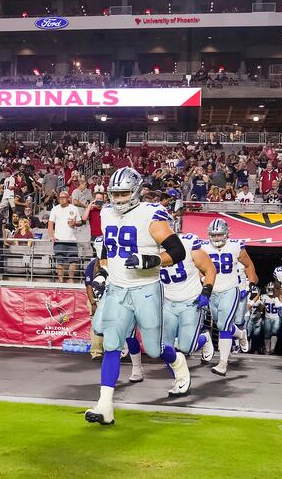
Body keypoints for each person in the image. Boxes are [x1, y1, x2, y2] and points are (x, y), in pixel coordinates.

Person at [86, 167, 187, 425]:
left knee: (153, 349)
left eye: (123, 194)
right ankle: (104, 405)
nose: (118, 200)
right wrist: (103, 273)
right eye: (115, 194)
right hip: (118, 289)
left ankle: (178, 364)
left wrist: (154, 259)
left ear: (136, 192)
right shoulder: (106, 213)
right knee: (111, 343)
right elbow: (107, 248)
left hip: (146, 289)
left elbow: (177, 251)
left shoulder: (151, 214)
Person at [156, 233, 216, 395]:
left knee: (186, 347)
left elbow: (210, 269)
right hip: (167, 302)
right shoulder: (147, 247)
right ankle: (180, 379)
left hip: (191, 301)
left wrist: (206, 292)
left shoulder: (188, 243)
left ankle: (204, 339)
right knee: (163, 348)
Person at [200, 218, 258, 376]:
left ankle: (223, 363)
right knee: (220, 323)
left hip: (230, 289)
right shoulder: (203, 247)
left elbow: (248, 265)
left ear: (226, 234)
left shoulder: (236, 246)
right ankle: (241, 334)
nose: (217, 238)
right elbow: (199, 266)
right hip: (212, 291)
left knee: (224, 325)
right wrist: (202, 279)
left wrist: (251, 282)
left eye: (220, 235)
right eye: (214, 235)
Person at [48, 191, 82, 283]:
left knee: (74, 261)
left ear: (68, 198)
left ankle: (71, 279)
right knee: (60, 261)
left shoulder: (74, 209)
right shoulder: (55, 209)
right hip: (59, 240)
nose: (61, 199)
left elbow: (79, 222)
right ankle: (61, 281)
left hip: (71, 240)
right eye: (60, 198)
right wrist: (51, 235)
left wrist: (74, 223)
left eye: (63, 198)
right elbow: (50, 223)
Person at [261, 282, 282, 355]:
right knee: (267, 334)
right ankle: (267, 349)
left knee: (274, 332)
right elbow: (260, 309)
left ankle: (272, 349)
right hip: (268, 317)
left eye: (272, 289)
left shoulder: (279, 297)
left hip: (276, 317)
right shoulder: (264, 297)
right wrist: (262, 304)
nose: (271, 291)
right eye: (269, 289)